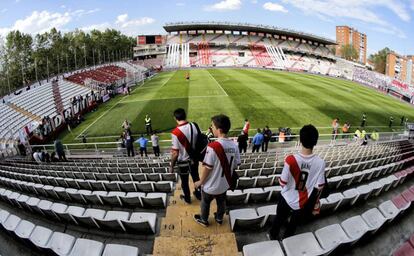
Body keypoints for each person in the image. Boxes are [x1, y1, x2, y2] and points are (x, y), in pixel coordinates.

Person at [268, 124, 326, 240]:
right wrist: (316, 204)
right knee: (293, 223)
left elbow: (282, 182)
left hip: (286, 197)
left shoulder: (290, 159)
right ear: (315, 142)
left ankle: (273, 236)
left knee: (279, 218)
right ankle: (287, 240)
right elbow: (320, 186)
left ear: (300, 139)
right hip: (303, 201)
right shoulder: (320, 163)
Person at [193, 114, 240, 227]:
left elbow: (207, 168)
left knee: (205, 202)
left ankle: (204, 220)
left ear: (219, 130)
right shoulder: (234, 145)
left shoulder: (212, 146)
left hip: (211, 185)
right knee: (221, 202)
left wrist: (200, 182)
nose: (212, 128)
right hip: (224, 184)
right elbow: (235, 165)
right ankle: (219, 218)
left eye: (213, 126)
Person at [169, 108, 201, 204]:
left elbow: (175, 153)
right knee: (196, 178)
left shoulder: (175, 132)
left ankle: (187, 198)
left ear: (175, 118)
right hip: (194, 158)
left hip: (183, 162)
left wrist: (171, 166)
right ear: (185, 115)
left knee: (185, 182)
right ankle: (199, 194)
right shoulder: (194, 125)